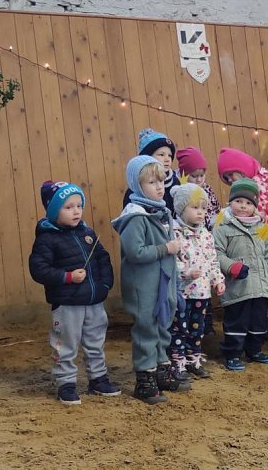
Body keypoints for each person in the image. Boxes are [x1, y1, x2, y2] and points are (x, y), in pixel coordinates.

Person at [29, 181, 121, 404]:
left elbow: (102, 258)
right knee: (65, 344)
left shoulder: (87, 233)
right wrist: (67, 277)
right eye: (68, 207)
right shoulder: (46, 239)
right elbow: (39, 269)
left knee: (96, 342)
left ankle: (98, 379)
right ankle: (66, 383)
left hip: (94, 301)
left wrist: (105, 285)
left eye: (79, 206)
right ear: (54, 211)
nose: (76, 211)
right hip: (67, 304)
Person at [112, 155, 190, 405]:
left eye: (161, 181)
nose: (159, 187)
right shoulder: (135, 217)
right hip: (144, 287)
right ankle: (144, 379)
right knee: (146, 329)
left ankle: (161, 370)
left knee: (162, 326)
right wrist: (165, 248)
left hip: (162, 284)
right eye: (152, 182)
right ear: (137, 185)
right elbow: (135, 252)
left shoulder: (159, 212)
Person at [216, 147, 268, 323]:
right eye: (226, 178)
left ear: (240, 167)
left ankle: (266, 319)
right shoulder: (239, 193)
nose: (229, 180)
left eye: (230, 174)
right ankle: (257, 320)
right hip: (248, 246)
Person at [212, 178, 268, 371]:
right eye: (238, 201)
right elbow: (216, 253)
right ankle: (232, 354)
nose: (243, 206)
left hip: (260, 286)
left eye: (248, 202)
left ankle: (254, 351)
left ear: (255, 206)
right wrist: (231, 266)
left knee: (259, 321)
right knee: (236, 322)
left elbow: (267, 254)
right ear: (230, 201)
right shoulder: (222, 227)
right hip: (238, 286)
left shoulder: (261, 227)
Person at [167, 183, 226, 380]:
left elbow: (212, 261)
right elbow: (170, 263)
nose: (200, 212)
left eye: (203, 208)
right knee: (179, 329)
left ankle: (193, 359)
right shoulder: (173, 233)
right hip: (182, 293)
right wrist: (186, 272)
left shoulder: (206, 235)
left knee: (197, 328)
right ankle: (177, 362)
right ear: (181, 208)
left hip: (202, 292)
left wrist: (217, 280)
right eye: (195, 207)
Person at [122, 128, 181, 214]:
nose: (167, 159)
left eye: (170, 155)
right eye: (161, 154)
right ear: (147, 157)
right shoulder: (135, 191)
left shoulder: (175, 181)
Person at [175, 146, 222, 230]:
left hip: (210, 233)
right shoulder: (181, 193)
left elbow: (218, 211)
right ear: (184, 175)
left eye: (202, 175)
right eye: (194, 176)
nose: (199, 180)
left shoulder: (208, 189)